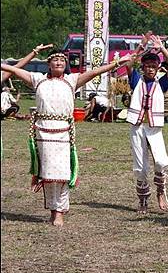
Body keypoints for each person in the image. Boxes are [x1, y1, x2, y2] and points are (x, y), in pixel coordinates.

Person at [1, 49, 131, 226]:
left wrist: (117, 63)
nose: (59, 63)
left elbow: (95, 72)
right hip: (43, 132)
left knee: (62, 173)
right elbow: (15, 70)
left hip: (63, 132)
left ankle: (60, 211)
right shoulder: (37, 79)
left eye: (62, 61)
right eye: (55, 61)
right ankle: (53, 210)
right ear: (49, 63)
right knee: (47, 174)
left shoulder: (72, 80)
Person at [121, 33, 168, 214]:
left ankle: (161, 191)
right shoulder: (137, 80)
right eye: (147, 66)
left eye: (153, 66)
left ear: (158, 67)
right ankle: (143, 199)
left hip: (153, 128)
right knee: (141, 167)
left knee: (160, 161)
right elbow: (129, 65)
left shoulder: (161, 83)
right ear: (143, 67)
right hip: (137, 126)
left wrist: (162, 49)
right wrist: (140, 47)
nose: (150, 69)